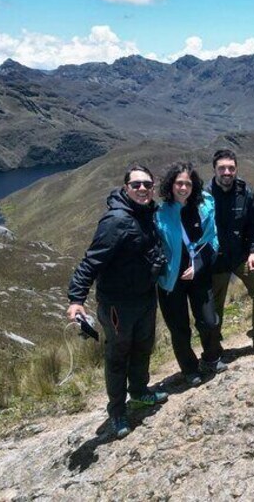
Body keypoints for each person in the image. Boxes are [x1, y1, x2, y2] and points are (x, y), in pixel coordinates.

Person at [66, 165, 168, 439]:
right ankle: (117, 411)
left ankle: (140, 392)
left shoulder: (147, 213)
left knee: (143, 347)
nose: (142, 189)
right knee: (118, 355)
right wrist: (77, 298)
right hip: (118, 305)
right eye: (136, 185)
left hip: (144, 297)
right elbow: (92, 260)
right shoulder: (116, 221)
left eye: (147, 184)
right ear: (126, 188)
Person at [155, 162, 225, 387]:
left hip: (199, 275)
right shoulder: (160, 214)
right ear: (171, 185)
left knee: (209, 320)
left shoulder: (205, 206)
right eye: (179, 183)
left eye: (188, 183)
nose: (184, 187)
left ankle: (211, 358)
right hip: (171, 281)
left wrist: (198, 266)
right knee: (179, 328)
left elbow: (211, 241)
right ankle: (189, 369)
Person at [209, 149, 254, 351]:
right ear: (214, 169)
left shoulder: (245, 192)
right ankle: (213, 347)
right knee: (214, 305)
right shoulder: (204, 195)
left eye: (231, 168)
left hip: (241, 254)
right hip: (216, 260)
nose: (227, 172)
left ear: (236, 169)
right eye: (222, 168)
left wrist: (253, 251)